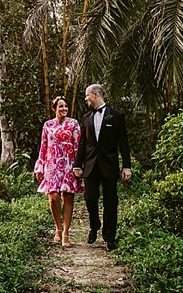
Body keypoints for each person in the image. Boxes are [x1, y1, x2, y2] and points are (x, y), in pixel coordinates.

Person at [73, 84, 131, 251]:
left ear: (96, 95)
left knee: (110, 201)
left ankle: (109, 237)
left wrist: (127, 166)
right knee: (90, 198)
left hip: (109, 165)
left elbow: (123, 143)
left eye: (87, 96)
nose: (86, 99)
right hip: (90, 165)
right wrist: (77, 164)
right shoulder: (86, 118)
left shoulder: (116, 116)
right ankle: (94, 226)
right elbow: (82, 144)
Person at [34, 96, 84, 247]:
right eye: (61, 106)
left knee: (68, 197)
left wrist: (79, 165)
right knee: (54, 197)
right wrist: (40, 166)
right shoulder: (48, 125)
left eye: (65, 106)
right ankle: (58, 228)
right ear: (54, 109)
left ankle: (66, 233)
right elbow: (43, 146)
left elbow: (78, 145)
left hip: (69, 163)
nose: (64, 109)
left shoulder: (73, 124)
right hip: (52, 164)